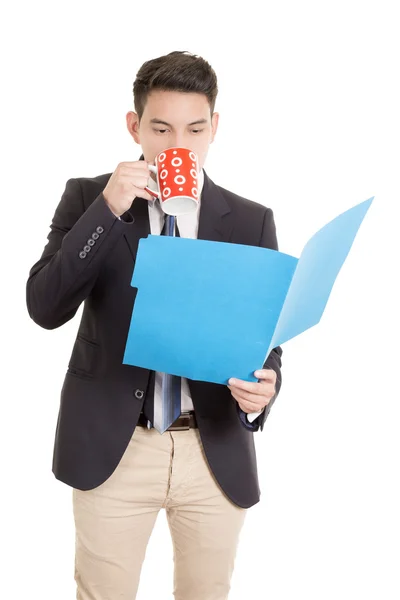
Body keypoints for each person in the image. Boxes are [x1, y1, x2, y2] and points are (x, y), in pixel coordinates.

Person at [26, 50, 283, 600]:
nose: (177, 147)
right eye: (161, 129)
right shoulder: (88, 197)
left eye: (194, 129)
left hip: (211, 449)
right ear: (134, 126)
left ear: (215, 127)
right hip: (114, 452)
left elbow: (265, 338)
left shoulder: (250, 219)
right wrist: (106, 210)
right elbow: (45, 308)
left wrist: (267, 386)